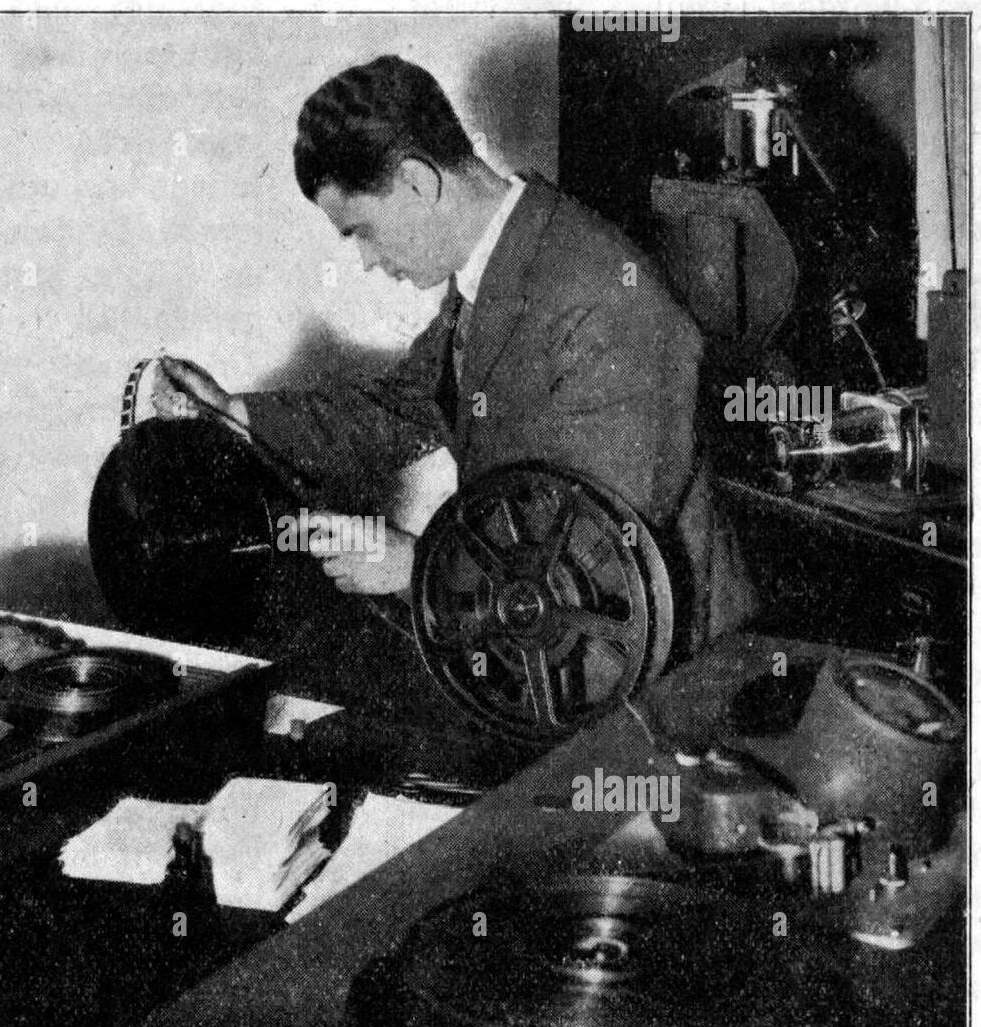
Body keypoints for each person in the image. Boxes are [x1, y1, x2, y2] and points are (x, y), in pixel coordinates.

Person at [153, 54, 755, 656]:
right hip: (549, 644)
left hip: (663, 667)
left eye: (360, 229)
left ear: (418, 182)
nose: (364, 259)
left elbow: (599, 557)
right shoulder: (499, 264)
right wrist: (232, 412)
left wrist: (415, 566)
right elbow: (405, 407)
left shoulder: (606, 302)